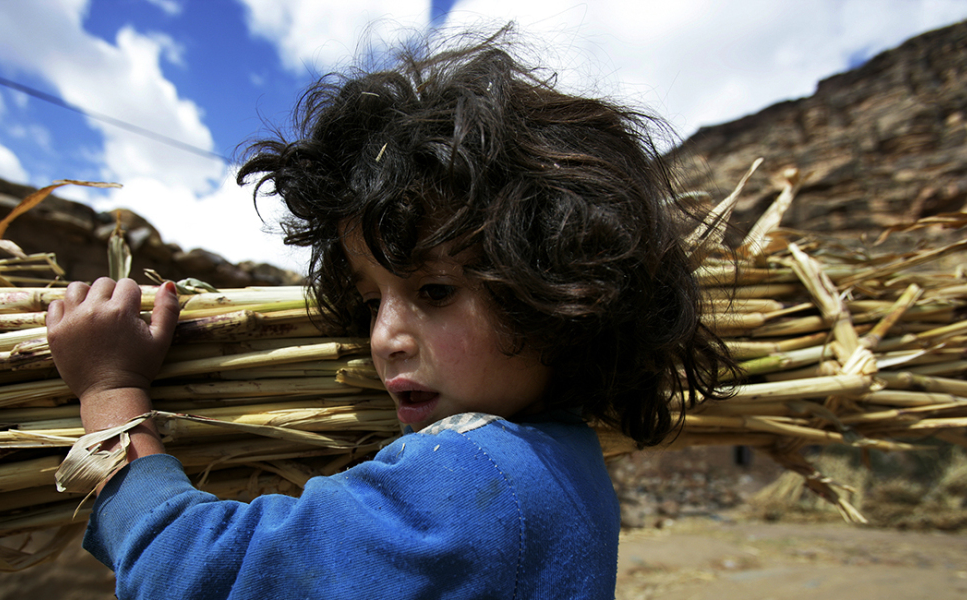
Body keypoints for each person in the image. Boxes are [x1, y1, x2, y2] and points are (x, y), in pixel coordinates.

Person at [46, 27, 735, 600]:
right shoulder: (567, 461)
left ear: (561, 290)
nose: (385, 338)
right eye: (372, 300)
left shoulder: (479, 478)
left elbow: (192, 575)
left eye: (434, 292)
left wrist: (111, 395)